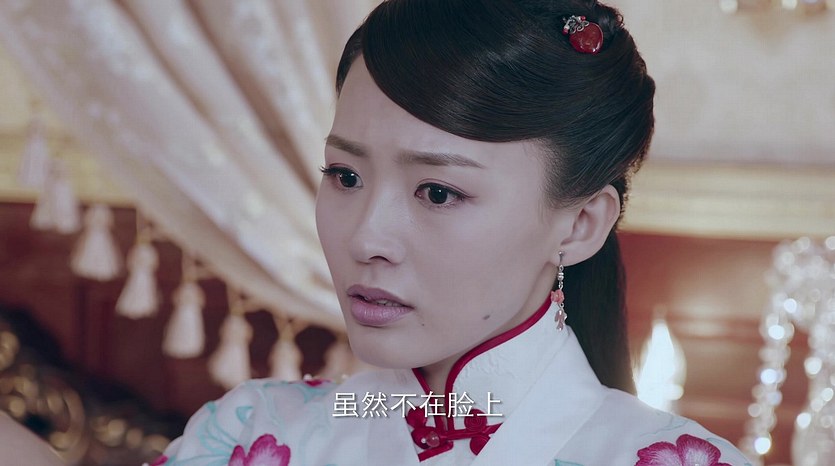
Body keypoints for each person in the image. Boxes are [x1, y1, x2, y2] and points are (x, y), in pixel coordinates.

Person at [157, 0, 752, 464]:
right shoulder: (248, 436)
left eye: (438, 192)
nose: (366, 239)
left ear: (579, 225)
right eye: (345, 176)